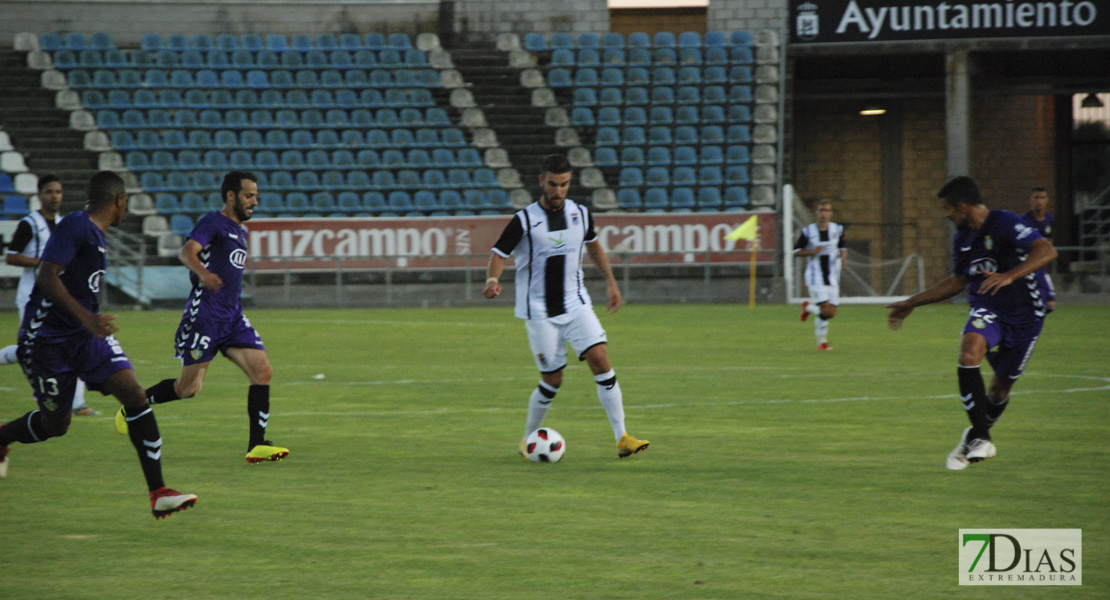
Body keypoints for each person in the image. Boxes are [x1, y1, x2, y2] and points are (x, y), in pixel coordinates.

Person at [0, 171, 197, 518]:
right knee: (55, 425)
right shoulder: (77, 226)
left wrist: (88, 322)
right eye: (126, 203)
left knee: (135, 394)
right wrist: (87, 318)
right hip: (46, 341)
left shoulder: (96, 234)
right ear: (119, 201)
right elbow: (46, 276)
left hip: (86, 337)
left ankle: (158, 491)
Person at [115, 171, 288, 464]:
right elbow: (186, 253)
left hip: (232, 318)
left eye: (256, 196)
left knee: (262, 371)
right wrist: (204, 274)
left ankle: (257, 444)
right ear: (231, 196)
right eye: (249, 195)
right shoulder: (212, 222)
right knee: (188, 390)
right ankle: (134, 404)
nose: (255, 202)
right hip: (205, 317)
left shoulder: (241, 232)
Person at [484, 154, 649, 459]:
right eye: (553, 184)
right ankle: (526, 442)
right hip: (539, 311)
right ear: (541, 182)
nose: (559, 190)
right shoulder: (524, 220)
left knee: (601, 359)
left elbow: (594, 245)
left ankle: (623, 437)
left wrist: (611, 283)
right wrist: (493, 279)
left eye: (564, 184)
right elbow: (499, 252)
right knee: (553, 379)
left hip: (576, 303)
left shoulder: (581, 214)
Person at [886, 176, 1056, 471]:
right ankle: (983, 439)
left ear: (962, 207)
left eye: (949, 210)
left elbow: (1046, 251)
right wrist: (911, 302)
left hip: (1026, 316)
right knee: (968, 352)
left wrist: (1009, 275)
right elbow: (958, 281)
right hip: (988, 308)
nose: (948, 216)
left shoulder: (1004, 222)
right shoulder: (963, 239)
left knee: (999, 391)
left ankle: (974, 436)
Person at [0, 175, 97, 416]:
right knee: (32, 348)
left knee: (74, 340)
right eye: (49, 192)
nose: (54, 196)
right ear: (39, 194)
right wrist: (45, 264)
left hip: (61, 296)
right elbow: (11, 256)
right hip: (32, 296)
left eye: (58, 192)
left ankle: (78, 404)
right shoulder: (29, 224)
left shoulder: (65, 223)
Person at [793, 199, 846, 350]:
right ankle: (822, 342)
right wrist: (812, 251)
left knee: (831, 313)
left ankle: (808, 307)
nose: (824, 213)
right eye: (821, 210)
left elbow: (842, 245)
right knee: (825, 310)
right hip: (815, 276)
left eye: (827, 210)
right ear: (816, 212)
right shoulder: (808, 232)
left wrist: (843, 257)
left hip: (833, 277)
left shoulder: (837, 229)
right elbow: (795, 251)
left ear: (831, 213)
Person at [1021, 187, 1057, 311]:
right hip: (1027, 266)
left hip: (1041, 267)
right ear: (1030, 200)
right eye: (1036, 197)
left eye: (1042, 198)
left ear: (1047, 200)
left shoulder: (1049, 220)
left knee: (1050, 305)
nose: (1039, 201)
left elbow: (1050, 241)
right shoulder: (1024, 221)